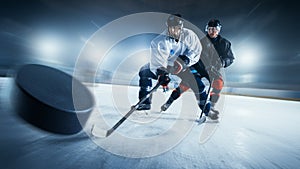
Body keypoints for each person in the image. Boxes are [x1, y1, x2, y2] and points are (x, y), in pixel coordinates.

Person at [161, 19, 235, 121]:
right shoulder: (201, 42)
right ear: (207, 30)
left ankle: (211, 106)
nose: (212, 31)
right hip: (199, 68)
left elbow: (230, 58)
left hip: (213, 70)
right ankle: (169, 102)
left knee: (218, 83)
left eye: (215, 29)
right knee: (185, 85)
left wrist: (223, 62)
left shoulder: (225, 43)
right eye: (210, 29)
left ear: (218, 30)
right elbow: (192, 54)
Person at [136, 14, 202, 111]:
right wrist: (161, 73)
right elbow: (158, 60)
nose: (174, 31)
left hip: (182, 66)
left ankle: (206, 110)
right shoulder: (158, 41)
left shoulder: (190, 35)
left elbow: (196, 50)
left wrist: (186, 60)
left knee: (196, 81)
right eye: (171, 28)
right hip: (166, 65)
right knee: (144, 71)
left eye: (177, 28)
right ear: (168, 27)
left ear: (181, 27)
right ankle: (144, 102)